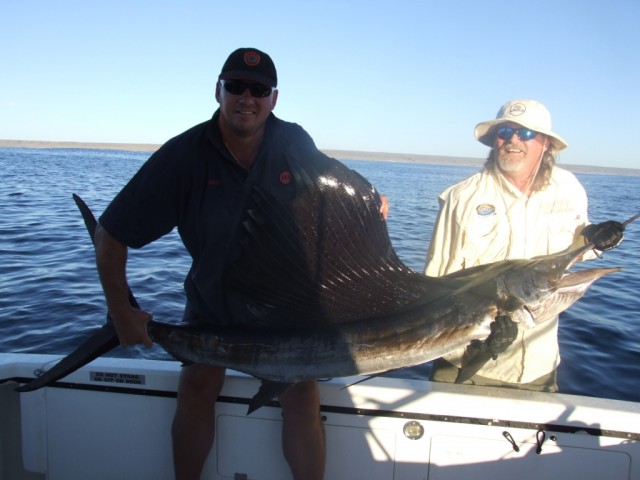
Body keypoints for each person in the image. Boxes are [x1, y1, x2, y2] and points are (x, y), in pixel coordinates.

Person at [93, 47, 388, 480]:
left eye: (258, 89)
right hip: (214, 300)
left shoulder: (292, 142)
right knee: (196, 387)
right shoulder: (184, 155)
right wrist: (121, 311)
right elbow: (110, 234)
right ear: (218, 91)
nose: (246, 98)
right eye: (235, 87)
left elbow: (335, 184)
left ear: (273, 98)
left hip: (286, 306)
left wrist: (367, 202)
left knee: (301, 394)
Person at [424, 99, 624, 392]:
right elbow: (436, 283)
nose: (513, 140)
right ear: (495, 140)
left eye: (526, 133)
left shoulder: (568, 188)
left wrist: (598, 240)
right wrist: (479, 335)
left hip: (538, 370)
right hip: (463, 364)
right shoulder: (461, 198)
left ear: (546, 144)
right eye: (505, 132)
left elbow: (575, 250)